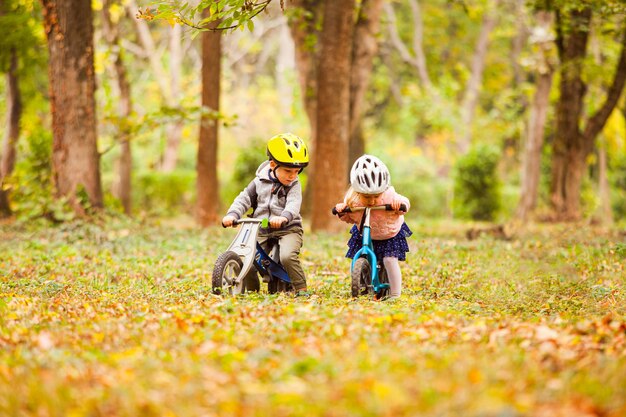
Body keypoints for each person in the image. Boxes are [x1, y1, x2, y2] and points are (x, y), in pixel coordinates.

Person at [222, 133, 310, 296]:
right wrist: (233, 214)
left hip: (289, 228)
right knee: (247, 258)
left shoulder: (293, 185)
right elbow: (244, 199)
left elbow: (294, 203)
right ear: (272, 165)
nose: (293, 176)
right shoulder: (258, 182)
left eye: (297, 171)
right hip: (261, 227)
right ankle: (251, 290)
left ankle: (300, 288)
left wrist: (284, 217)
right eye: (288, 171)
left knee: (287, 256)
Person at [334, 154, 412, 299]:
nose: (372, 201)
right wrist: (342, 210)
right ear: (357, 192)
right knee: (362, 256)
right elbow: (350, 218)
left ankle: (395, 294)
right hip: (366, 234)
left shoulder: (390, 195)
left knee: (389, 260)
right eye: (367, 197)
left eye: (376, 196)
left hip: (389, 234)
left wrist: (399, 206)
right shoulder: (353, 200)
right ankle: (363, 286)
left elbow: (405, 203)